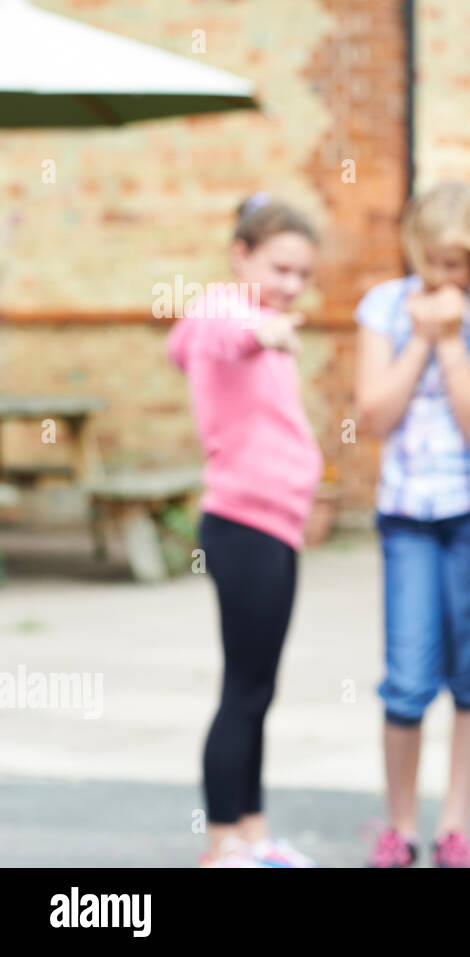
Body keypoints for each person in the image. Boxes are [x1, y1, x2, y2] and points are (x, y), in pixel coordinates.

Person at [167, 192, 324, 868]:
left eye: (302, 274)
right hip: (243, 524)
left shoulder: (258, 317)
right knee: (242, 687)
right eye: (279, 268)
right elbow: (205, 334)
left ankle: (253, 834)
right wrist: (261, 331)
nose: (291, 285)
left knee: (258, 685)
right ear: (242, 255)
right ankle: (220, 842)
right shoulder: (223, 312)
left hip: (276, 527)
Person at [354, 182, 470, 868]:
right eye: (438, 260)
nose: (449, 275)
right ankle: (401, 826)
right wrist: (420, 337)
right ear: (417, 250)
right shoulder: (384, 308)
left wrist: (452, 342)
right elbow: (374, 415)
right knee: (408, 678)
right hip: (408, 519)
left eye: (461, 263)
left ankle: (453, 827)